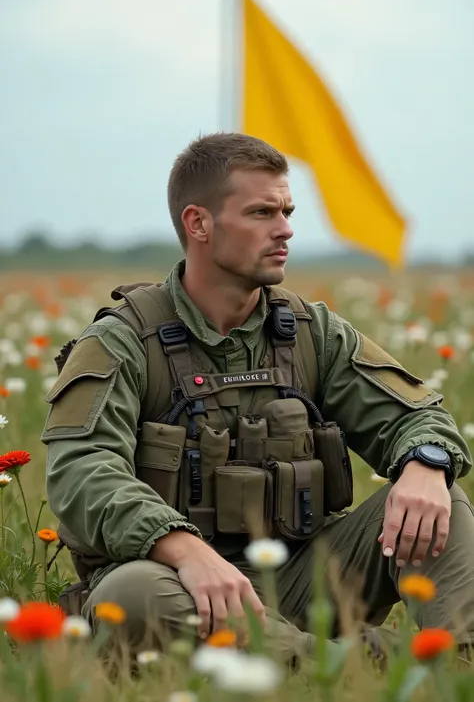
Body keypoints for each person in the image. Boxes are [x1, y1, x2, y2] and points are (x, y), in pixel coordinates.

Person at [42, 132, 474, 663]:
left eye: (287, 211)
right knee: (128, 598)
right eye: (261, 212)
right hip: (179, 584)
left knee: (440, 500)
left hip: (306, 579)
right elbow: (81, 470)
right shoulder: (123, 341)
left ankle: (457, 662)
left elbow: (418, 418)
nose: (285, 229)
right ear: (198, 223)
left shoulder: (310, 331)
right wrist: (184, 549)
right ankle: (374, 666)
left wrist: (426, 465)